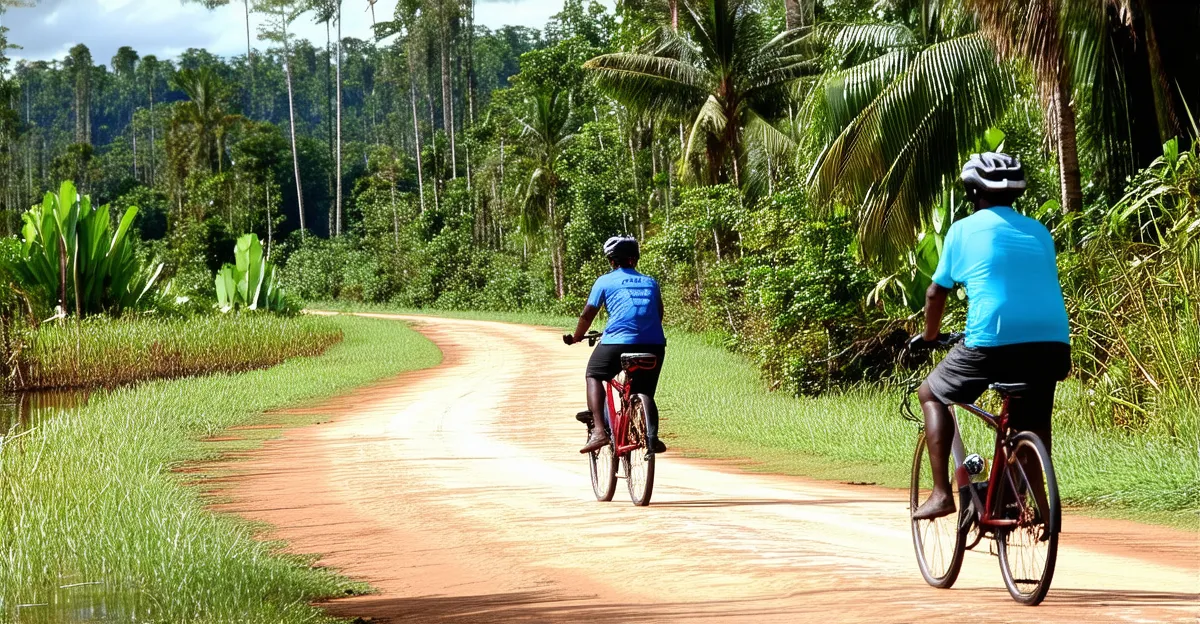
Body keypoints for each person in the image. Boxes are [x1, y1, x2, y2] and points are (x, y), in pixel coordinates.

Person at [909, 152, 1071, 520]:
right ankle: (1039, 506)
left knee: (930, 393)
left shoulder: (963, 230)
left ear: (971, 192)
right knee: (1033, 423)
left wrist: (930, 335)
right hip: (1053, 343)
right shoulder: (1039, 231)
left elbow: (936, 293)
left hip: (993, 339)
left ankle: (940, 494)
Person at [564, 236, 668, 455]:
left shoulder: (605, 281)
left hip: (617, 343)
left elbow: (587, 314)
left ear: (611, 260)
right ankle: (652, 436)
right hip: (655, 344)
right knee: (644, 390)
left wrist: (576, 337)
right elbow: (658, 314)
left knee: (594, 374)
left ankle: (599, 431)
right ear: (636, 259)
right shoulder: (651, 282)